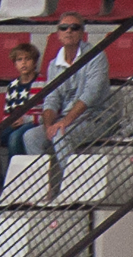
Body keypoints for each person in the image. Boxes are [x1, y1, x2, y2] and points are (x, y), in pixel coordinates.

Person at [31, 13, 110, 162]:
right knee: (31, 137)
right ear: (58, 33)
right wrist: (49, 126)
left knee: (60, 134)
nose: (69, 31)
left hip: (97, 117)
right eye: (64, 27)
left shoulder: (96, 56)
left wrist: (65, 121)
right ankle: (41, 183)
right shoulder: (53, 64)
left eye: (74, 27)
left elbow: (91, 94)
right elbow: (51, 98)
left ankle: (70, 183)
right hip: (68, 120)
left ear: (82, 33)